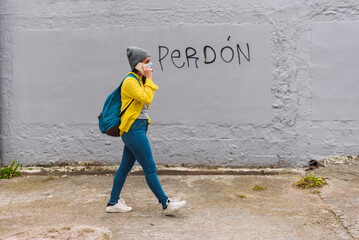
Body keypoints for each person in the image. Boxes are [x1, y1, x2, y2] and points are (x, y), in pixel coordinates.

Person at [106, 46, 186, 216]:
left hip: (138, 128)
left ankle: (113, 202)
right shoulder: (129, 81)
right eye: (147, 62)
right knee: (150, 167)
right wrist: (149, 79)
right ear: (137, 64)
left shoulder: (138, 80)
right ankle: (166, 203)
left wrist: (146, 79)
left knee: (124, 167)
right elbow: (146, 98)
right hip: (133, 129)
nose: (150, 65)